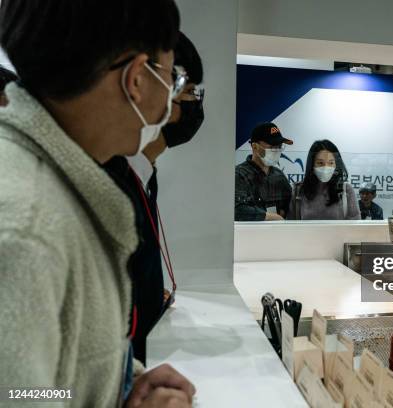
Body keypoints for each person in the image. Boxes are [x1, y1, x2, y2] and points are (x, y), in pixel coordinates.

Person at [0, 1, 195, 407]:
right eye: (172, 79)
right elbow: (17, 394)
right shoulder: (26, 227)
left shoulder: (59, 185)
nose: (170, 101)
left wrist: (120, 387)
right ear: (136, 78)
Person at [104, 31, 205, 366]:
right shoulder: (104, 184)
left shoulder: (142, 175)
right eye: (181, 87)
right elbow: (23, 392)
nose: (191, 103)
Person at [288, 139, 360, 220]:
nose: (326, 167)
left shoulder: (346, 190)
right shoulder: (298, 190)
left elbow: (354, 226)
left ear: (336, 164)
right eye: (320, 163)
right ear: (312, 164)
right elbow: (291, 225)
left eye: (331, 163)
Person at [235, 122, 293, 221]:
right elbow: (235, 210)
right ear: (255, 147)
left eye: (279, 147)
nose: (276, 150)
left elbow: (291, 207)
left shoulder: (280, 176)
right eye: (272, 147)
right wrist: (269, 217)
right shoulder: (239, 175)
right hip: (249, 235)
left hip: (278, 234)